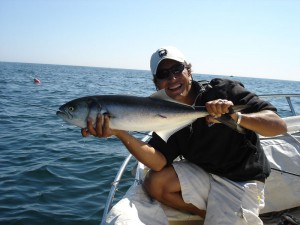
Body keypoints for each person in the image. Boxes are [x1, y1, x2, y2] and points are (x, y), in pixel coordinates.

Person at [81, 46, 287, 225]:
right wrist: (118, 131)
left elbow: (278, 126)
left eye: (177, 69)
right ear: (156, 83)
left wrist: (237, 117)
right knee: (155, 182)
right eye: (163, 74)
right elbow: (159, 162)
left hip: (241, 179)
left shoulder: (223, 90)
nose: (171, 78)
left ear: (189, 70)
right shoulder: (165, 113)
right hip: (205, 173)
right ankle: (207, 215)